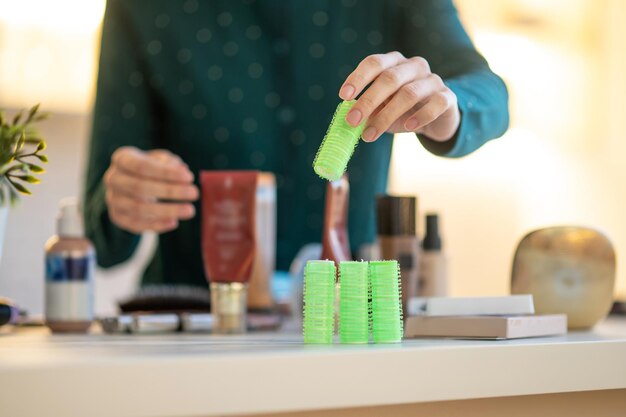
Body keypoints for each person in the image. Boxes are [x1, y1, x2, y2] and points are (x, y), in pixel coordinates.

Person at [84, 0, 509, 288]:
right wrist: (124, 198)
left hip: (348, 317)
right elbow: (99, 236)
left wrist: (444, 108)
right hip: (194, 323)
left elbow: (490, 97)